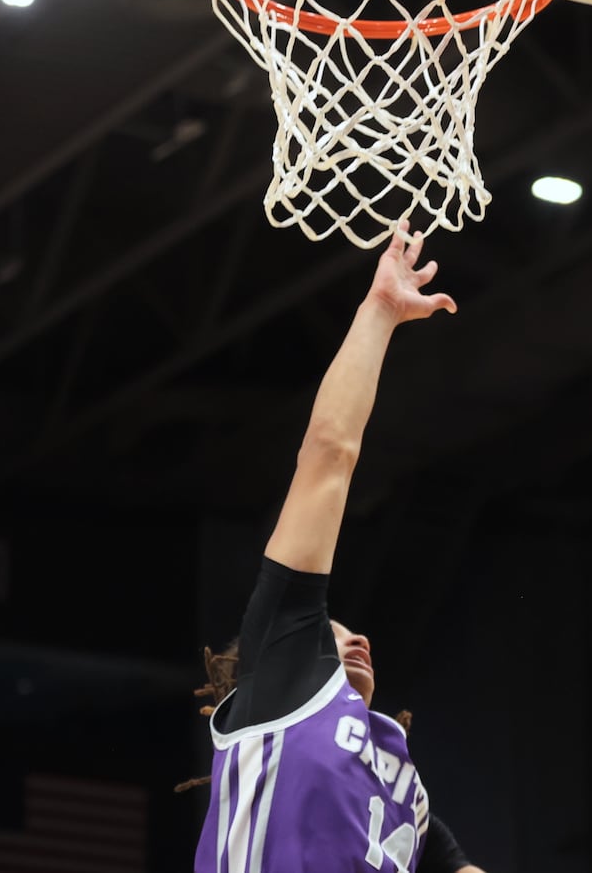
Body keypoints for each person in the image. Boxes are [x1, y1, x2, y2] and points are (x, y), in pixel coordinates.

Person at [184, 226, 483, 873]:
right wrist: (377, 313)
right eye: (330, 628)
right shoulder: (287, 677)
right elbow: (328, 458)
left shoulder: (403, 784)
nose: (353, 637)